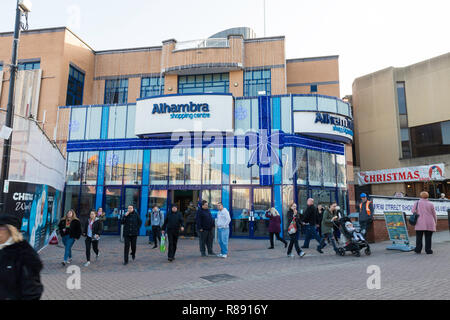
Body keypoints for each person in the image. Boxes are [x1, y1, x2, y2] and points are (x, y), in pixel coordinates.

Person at [0, 214, 44, 300]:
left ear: (10, 230)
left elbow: (32, 292)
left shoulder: (24, 254)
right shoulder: (2, 248)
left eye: (1, 228)